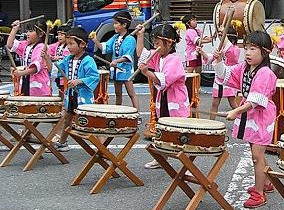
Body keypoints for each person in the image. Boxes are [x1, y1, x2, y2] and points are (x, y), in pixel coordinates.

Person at [211, 31, 277, 208]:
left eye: (253, 49)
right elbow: (225, 75)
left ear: (265, 52)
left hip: (262, 116)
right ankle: (266, 182)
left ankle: (259, 194)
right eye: (246, 48)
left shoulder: (265, 73)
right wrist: (219, 61)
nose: (247, 52)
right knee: (256, 153)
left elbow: (255, 100)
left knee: (257, 155)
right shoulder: (244, 68)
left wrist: (236, 111)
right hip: (250, 114)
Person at [135, 22, 191, 169]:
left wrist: (147, 72)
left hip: (175, 99)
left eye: (157, 43)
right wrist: (140, 35)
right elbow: (142, 55)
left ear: (169, 42)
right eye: (154, 43)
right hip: (164, 98)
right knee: (163, 129)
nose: (155, 46)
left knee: (179, 132)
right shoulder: (159, 56)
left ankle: (188, 165)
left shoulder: (174, 59)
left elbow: (164, 79)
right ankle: (161, 157)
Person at [42, 27, 100, 152]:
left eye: (71, 44)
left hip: (83, 96)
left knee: (89, 121)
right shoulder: (68, 59)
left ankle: (102, 146)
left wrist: (78, 81)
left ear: (82, 44)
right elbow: (55, 71)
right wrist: (47, 59)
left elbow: (94, 77)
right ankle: (62, 142)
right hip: (71, 95)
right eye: (67, 44)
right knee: (67, 119)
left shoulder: (88, 60)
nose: (68, 47)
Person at [91, 10, 139, 110]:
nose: (114, 26)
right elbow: (105, 47)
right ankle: (117, 112)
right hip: (116, 69)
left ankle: (137, 113)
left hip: (125, 70)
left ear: (124, 25)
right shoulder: (115, 37)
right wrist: (95, 40)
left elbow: (128, 56)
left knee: (131, 93)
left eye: (116, 23)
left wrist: (116, 61)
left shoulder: (130, 39)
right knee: (118, 93)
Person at [198, 27, 241, 115]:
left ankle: (240, 120)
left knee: (233, 104)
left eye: (223, 37)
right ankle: (211, 123)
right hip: (218, 79)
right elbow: (211, 58)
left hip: (229, 78)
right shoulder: (220, 48)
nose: (221, 38)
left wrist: (223, 32)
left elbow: (230, 49)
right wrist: (202, 52)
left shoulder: (235, 49)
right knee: (214, 104)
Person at [7, 19, 51, 96]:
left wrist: (21, 73)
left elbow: (36, 68)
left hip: (38, 84)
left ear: (40, 34)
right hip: (26, 81)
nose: (27, 33)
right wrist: (14, 29)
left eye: (30, 31)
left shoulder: (42, 47)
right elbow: (10, 45)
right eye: (27, 31)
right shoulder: (25, 45)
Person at [48, 22, 71, 98]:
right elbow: (48, 49)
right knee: (59, 88)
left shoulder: (69, 46)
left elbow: (69, 56)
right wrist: (51, 57)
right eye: (58, 34)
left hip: (65, 70)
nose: (59, 37)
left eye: (62, 35)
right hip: (57, 70)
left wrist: (59, 58)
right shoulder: (57, 45)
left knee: (65, 89)